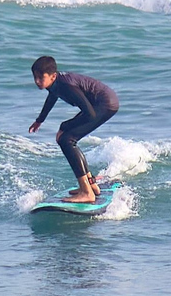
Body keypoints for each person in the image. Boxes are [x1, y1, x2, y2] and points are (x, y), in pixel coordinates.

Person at [28, 56, 119, 203]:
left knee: (66, 140)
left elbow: (90, 114)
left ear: (53, 76)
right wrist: (40, 120)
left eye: (40, 77)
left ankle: (86, 192)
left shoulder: (65, 85)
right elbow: (52, 97)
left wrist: (64, 126)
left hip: (105, 103)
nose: (37, 81)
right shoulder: (55, 85)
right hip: (101, 104)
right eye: (35, 77)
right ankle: (91, 185)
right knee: (68, 139)